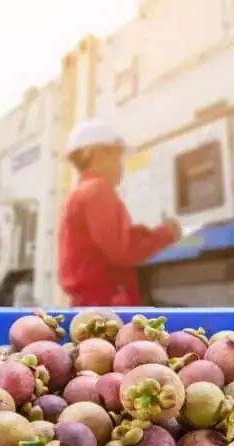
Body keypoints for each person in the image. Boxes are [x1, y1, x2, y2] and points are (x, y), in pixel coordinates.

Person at [58, 119, 182, 307]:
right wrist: (166, 234)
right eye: (117, 156)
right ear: (95, 153)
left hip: (92, 303)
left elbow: (110, 242)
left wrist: (148, 233)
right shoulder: (97, 190)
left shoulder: (82, 192)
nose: (121, 165)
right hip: (105, 304)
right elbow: (120, 251)